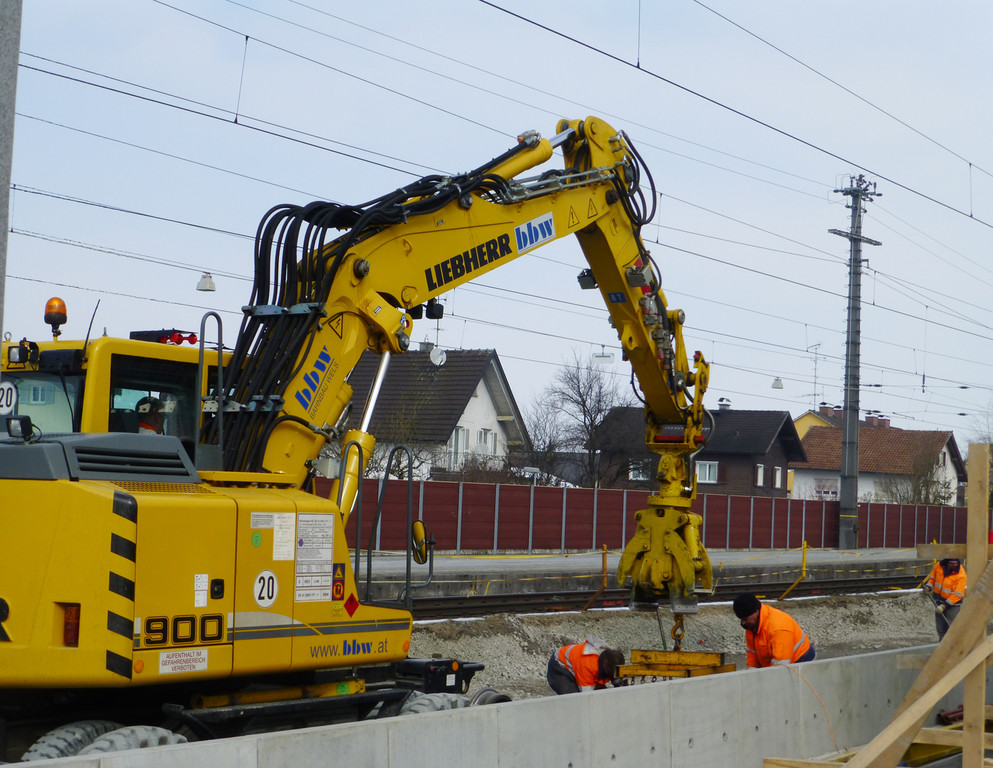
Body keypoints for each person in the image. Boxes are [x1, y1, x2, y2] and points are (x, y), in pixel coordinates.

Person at [733, 592, 815, 668]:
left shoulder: (778, 627)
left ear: (756, 612)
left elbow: (780, 666)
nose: (743, 623)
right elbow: (752, 656)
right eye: (741, 619)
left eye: (745, 618)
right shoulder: (751, 625)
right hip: (778, 662)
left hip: (800, 660)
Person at [546, 636, 625, 694]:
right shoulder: (588, 666)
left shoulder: (611, 661)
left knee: (603, 695)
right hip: (559, 666)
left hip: (579, 666)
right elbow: (587, 697)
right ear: (605, 664)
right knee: (573, 701)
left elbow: (620, 684)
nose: (614, 676)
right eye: (613, 673)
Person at [923, 557, 966, 641]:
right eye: (951, 563)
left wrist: (944, 606)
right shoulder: (939, 566)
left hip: (952, 606)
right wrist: (928, 587)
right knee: (941, 629)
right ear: (946, 563)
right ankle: (941, 647)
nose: (954, 565)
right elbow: (933, 579)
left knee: (951, 630)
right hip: (939, 601)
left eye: (955, 563)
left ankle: (951, 649)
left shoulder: (961, 575)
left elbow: (958, 594)